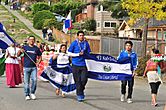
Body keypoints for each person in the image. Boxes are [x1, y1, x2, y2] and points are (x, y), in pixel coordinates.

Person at [68, 31, 91, 102]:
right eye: (80, 35)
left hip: (83, 64)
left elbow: (88, 53)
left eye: (82, 35)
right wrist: (78, 54)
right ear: (77, 36)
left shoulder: (86, 43)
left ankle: (81, 90)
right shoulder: (74, 43)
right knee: (77, 81)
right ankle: (79, 95)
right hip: (75, 64)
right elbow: (69, 53)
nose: (81, 37)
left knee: (84, 79)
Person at [18, 36, 42, 100]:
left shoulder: (36, 48)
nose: (31, 41)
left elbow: (40, 56)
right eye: (30, 39)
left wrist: (38, 63)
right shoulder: (25, 47)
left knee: (34, 80)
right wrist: (20, 51)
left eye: (33, 40)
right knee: (26, 82)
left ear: (34, 40)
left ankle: (32, 93)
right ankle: (27, 94)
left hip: (34, 67)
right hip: (26, 67)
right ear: (28, 40)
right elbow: (18, 55)